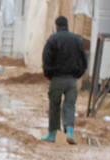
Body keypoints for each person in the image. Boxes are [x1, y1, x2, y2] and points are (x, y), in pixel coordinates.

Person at [42, 16, 88, 144]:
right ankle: (70, 131)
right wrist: (77, 75)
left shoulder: (52, 39)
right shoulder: (77, 40)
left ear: (56, 26)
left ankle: (52, 134)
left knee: (54, 106)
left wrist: (48, 75)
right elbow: (84, 61)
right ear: (67, 25)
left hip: (56, 79)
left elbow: (46, 59)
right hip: (72, 80)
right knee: (70, 105)